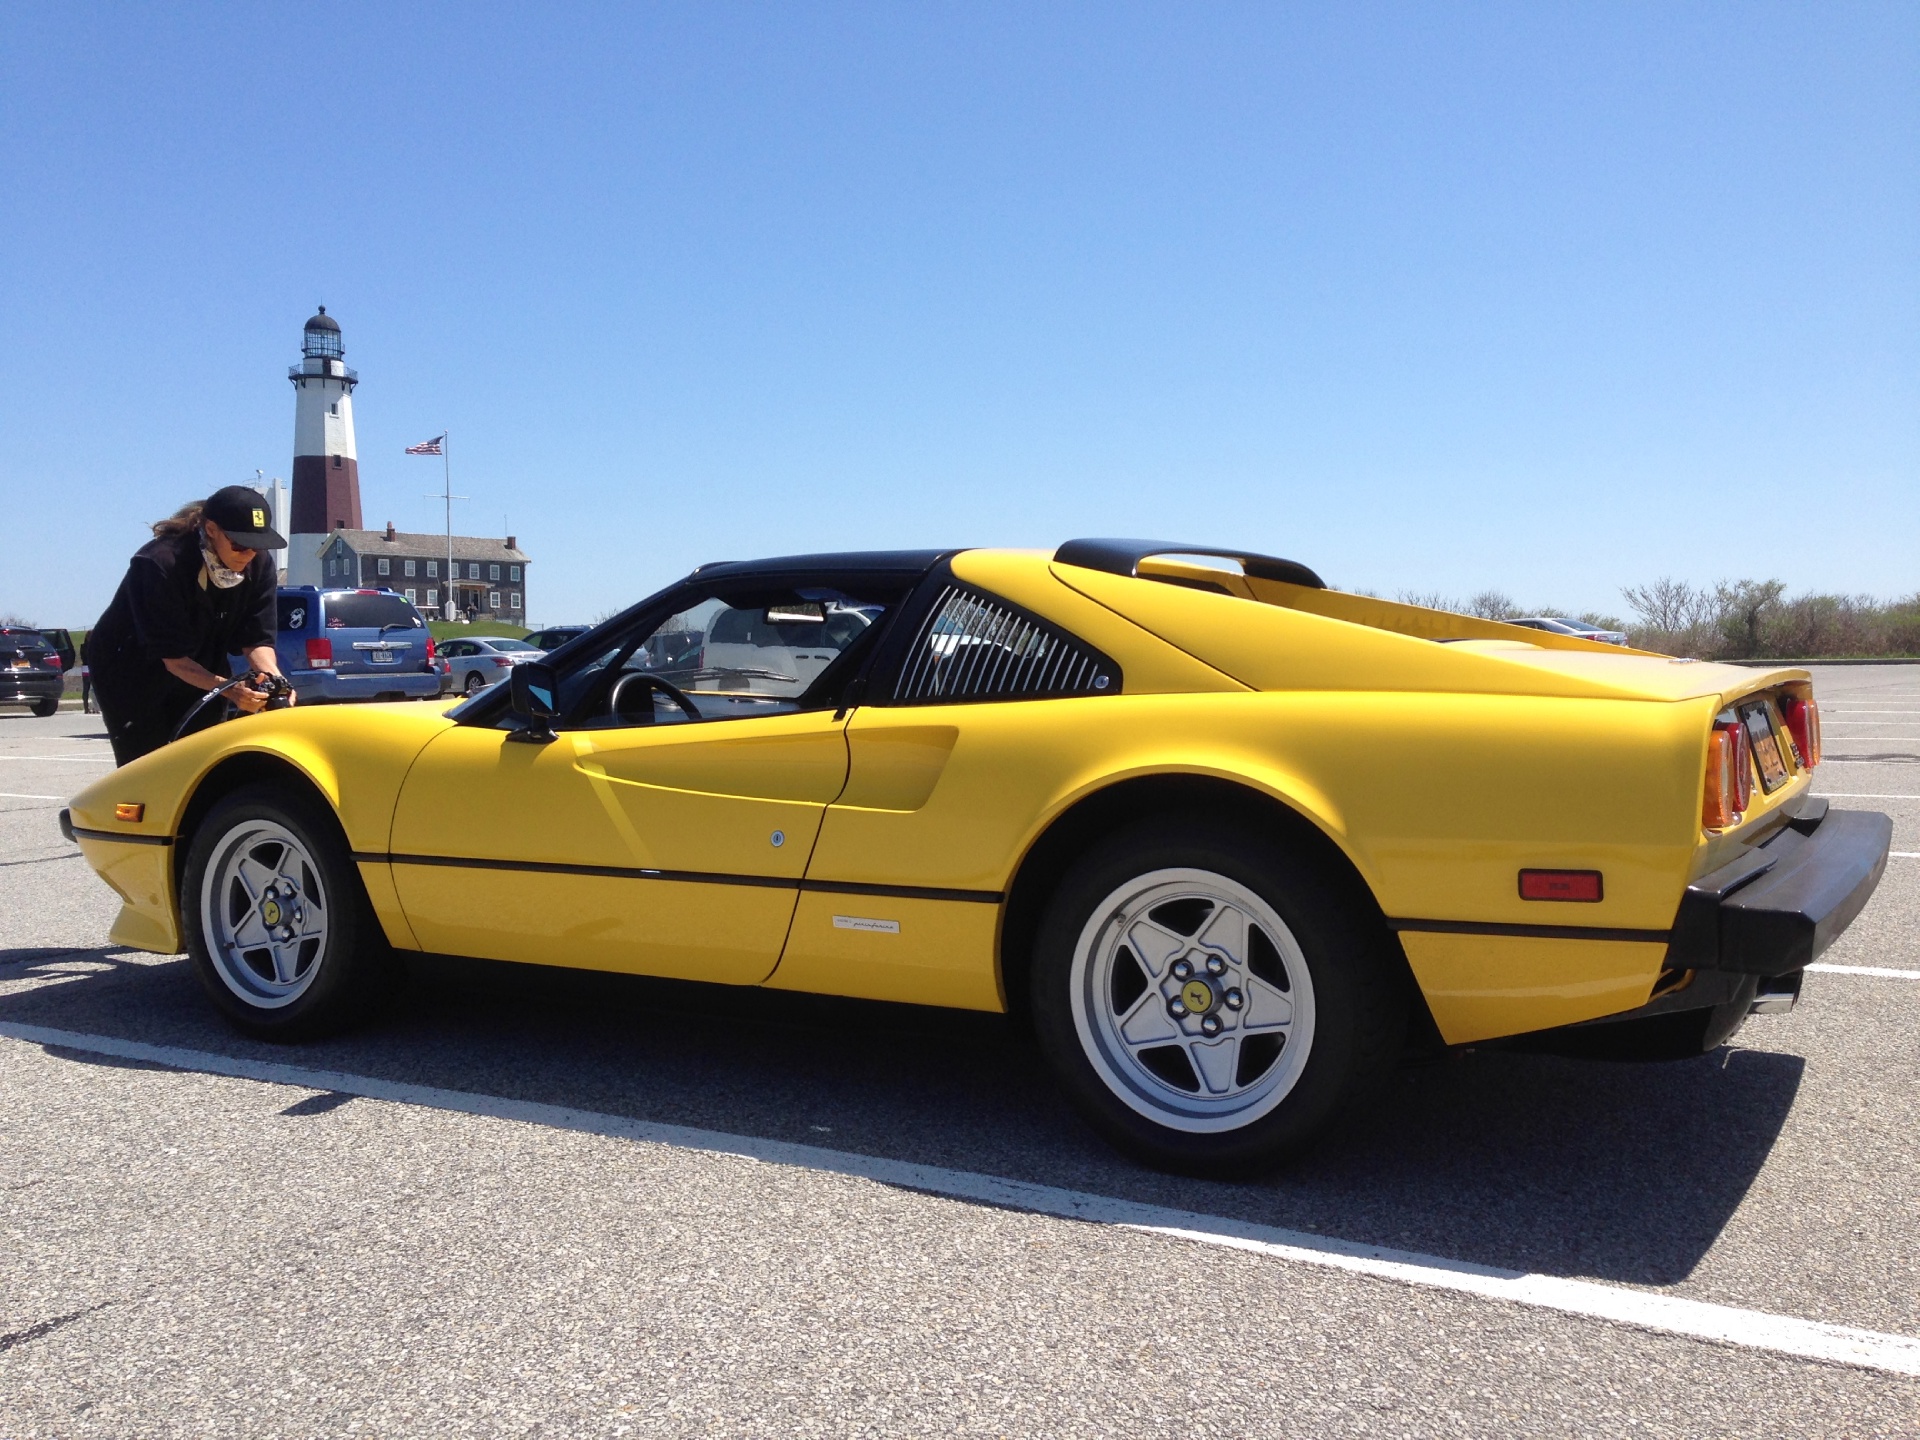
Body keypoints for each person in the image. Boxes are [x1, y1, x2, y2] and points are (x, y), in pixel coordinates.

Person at [86, 486, 295, 766]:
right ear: (211, 530)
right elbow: (174, 660)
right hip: (131, 669)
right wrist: (232, 690)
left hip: (203, 660)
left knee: (205, 761)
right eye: (239, 545)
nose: (248, 555)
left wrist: (276, 681)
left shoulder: (259, 565)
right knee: (149, 764)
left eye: (257, 546)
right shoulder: (160, 563)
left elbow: (256, 639)